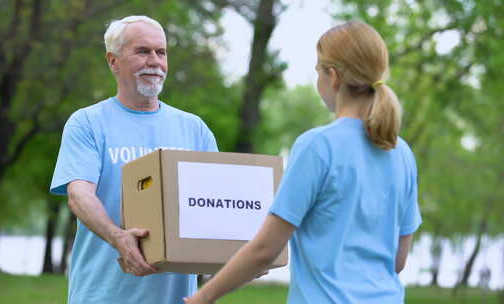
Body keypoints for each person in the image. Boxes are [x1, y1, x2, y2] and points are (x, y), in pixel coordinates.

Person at [184, 21, 422, 304]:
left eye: (317, 71)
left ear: (332, 77)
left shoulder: (318, 146)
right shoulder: (401, 151)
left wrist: (202, 297)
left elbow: (265, 250)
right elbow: (397, 260)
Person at [50, 15, 218, 304]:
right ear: (113, 61)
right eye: (143, 51)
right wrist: (119, 238)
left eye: (161, 52)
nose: (155, 61)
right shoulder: (87, 123)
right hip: (100, 296)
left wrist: (243, 250)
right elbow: (78, 195)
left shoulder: (194, 129)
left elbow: (216, 205)